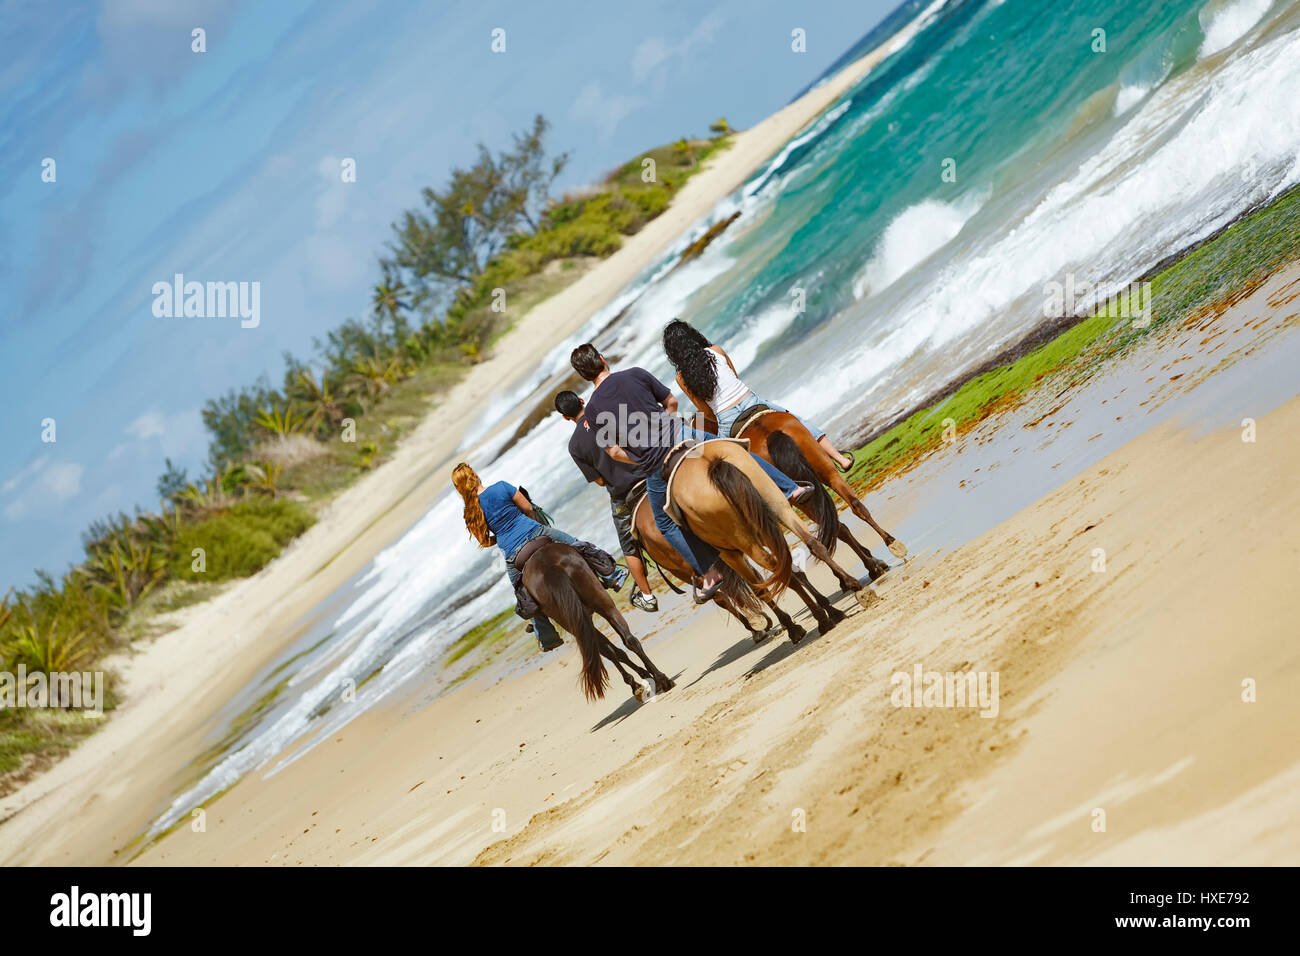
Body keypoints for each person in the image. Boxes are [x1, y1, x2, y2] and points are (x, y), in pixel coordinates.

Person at [569, 344, 812, 602]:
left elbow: (615, 453)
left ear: (584, 376)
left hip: (655, 462)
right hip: (683, 436)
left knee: (663, 523)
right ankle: (790, 489)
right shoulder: (635, 373)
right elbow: (671, 402)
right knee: (735, 451)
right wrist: (669, 424)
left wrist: (640, 457)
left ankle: (709, 573)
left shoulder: (593, 410)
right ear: (602, 359)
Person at [451, 462, 628, 651]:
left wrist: (502, 536)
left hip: (514, 554)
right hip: (537, 532)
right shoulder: (501, 486)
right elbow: (527, 508)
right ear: (474, 475)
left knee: (524, 594)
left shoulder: (471, 511)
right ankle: (613, 575)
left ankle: (547, 636)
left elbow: (484, 541)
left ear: (460, 488)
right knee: (579, 545)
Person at [662, 319, 855, 472]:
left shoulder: (682, 378)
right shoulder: (716, 350)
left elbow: (706, 411)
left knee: (732, 466)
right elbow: (735, 378)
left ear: (674, 352)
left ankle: (784, 491)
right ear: (693, 336)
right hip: (751, 400)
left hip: (727, 419)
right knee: (797, 421)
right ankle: (840, 458)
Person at [555, 389, 658, 613]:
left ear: (565, 417)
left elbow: (600, 481)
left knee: (629, 547)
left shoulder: (574, 446)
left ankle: (647, 595)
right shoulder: (606, 417)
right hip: (647, 475)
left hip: (623, 494)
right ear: (582, 400)